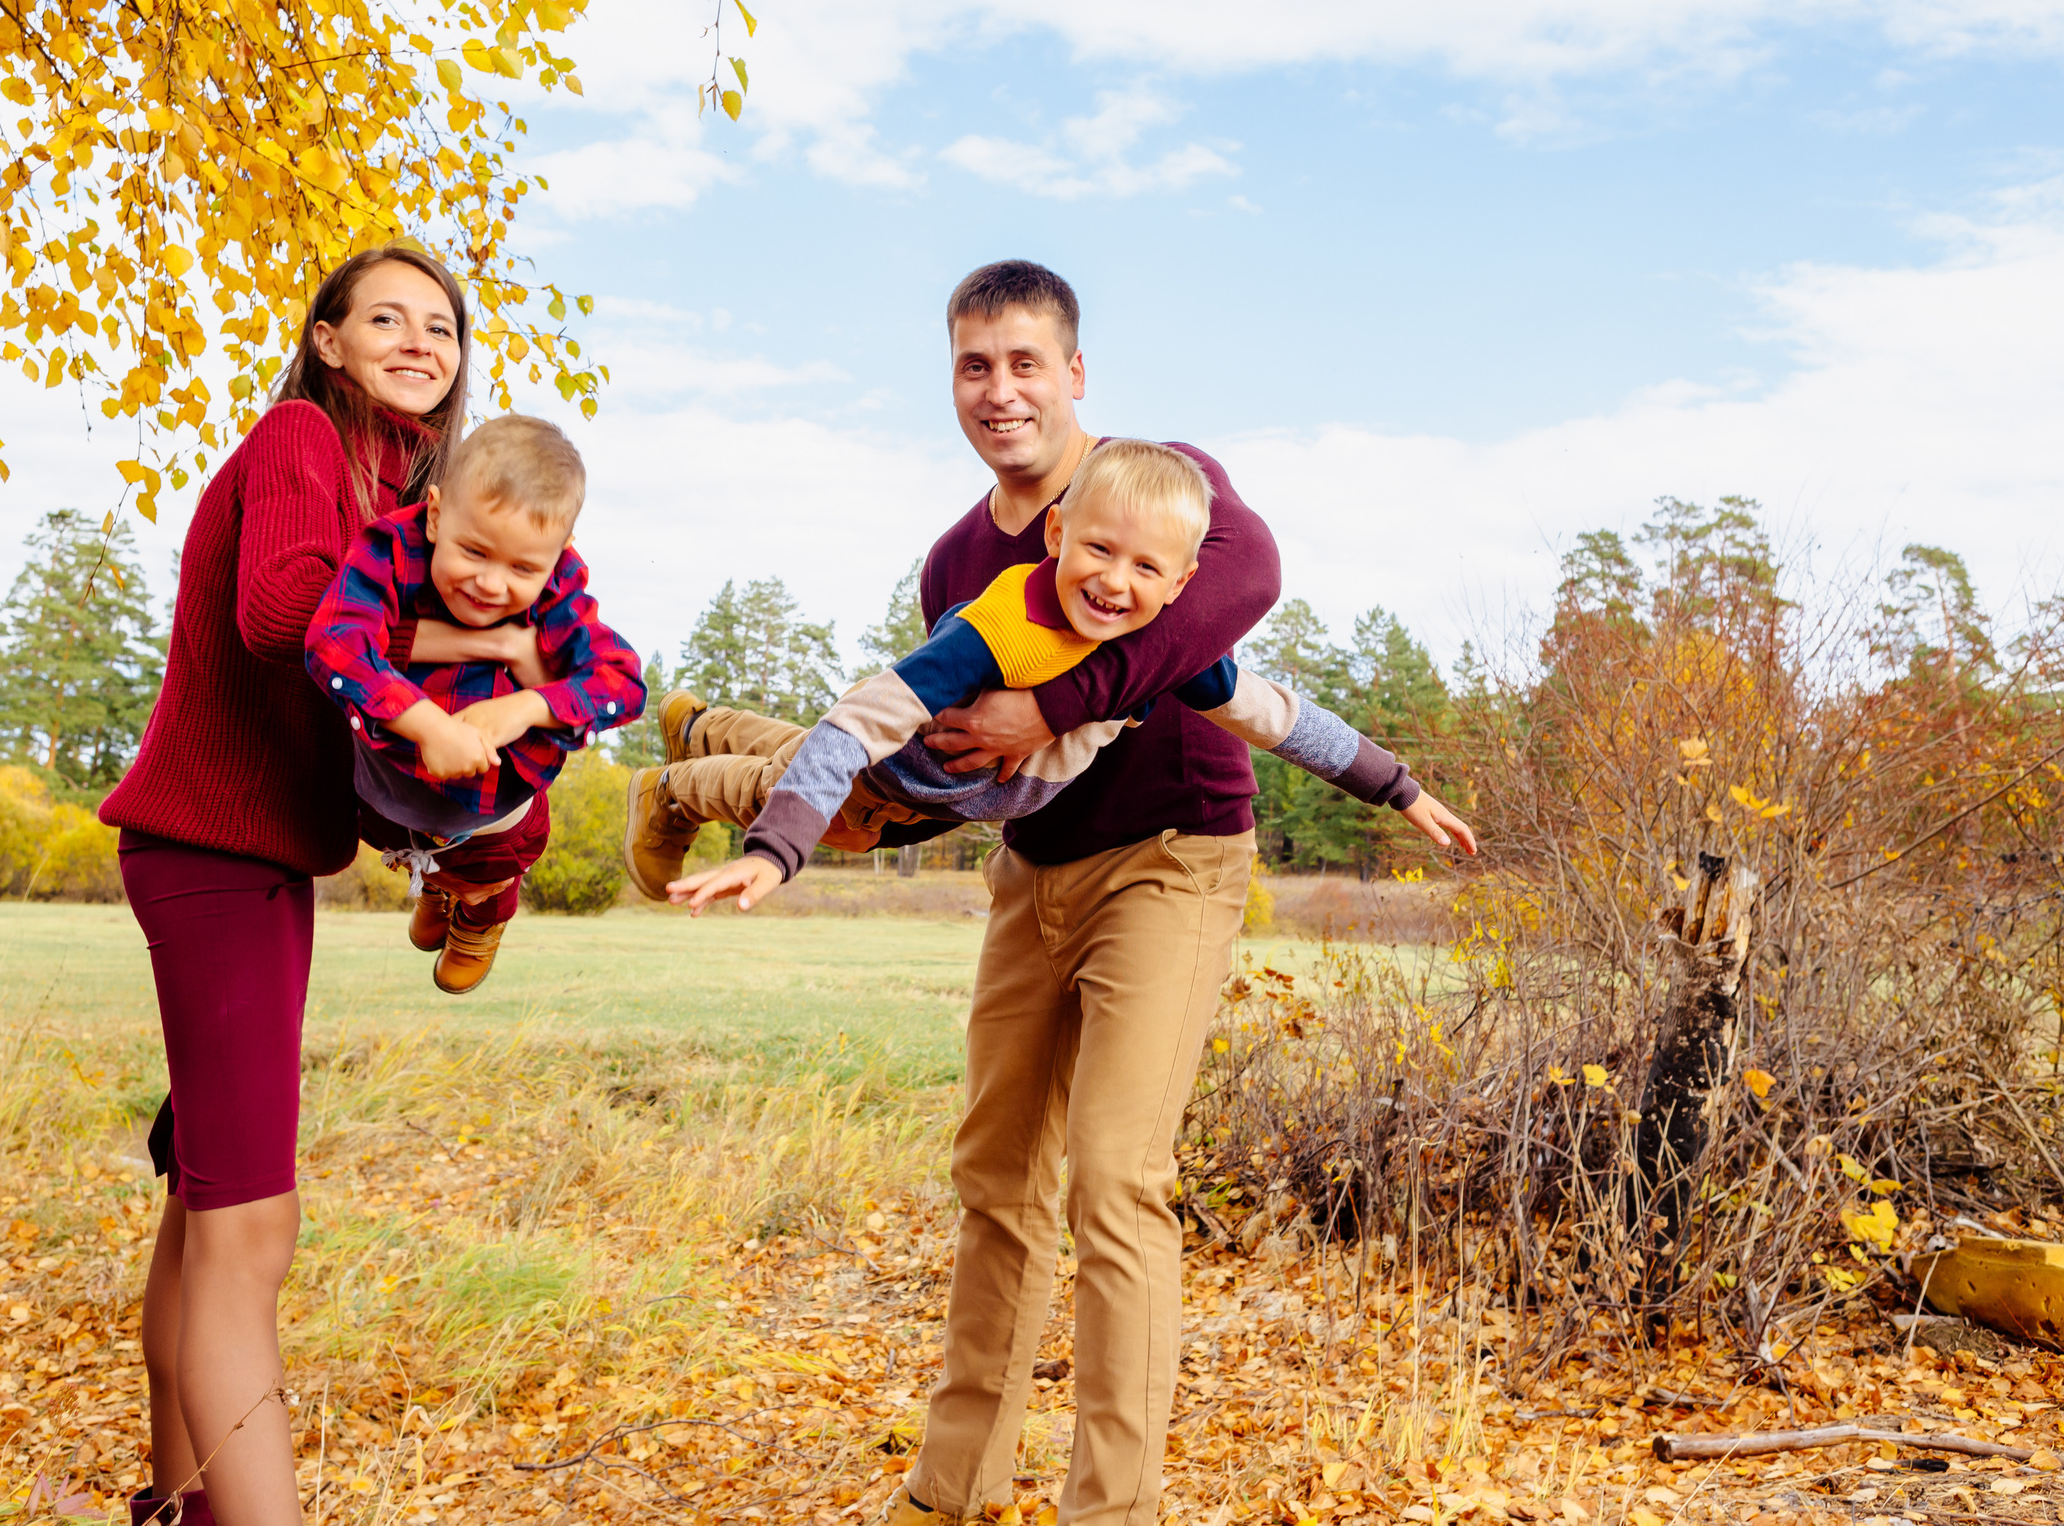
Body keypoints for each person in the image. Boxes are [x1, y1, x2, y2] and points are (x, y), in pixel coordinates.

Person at [858, 261, 1474, 1526]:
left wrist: (1050, 703)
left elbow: (1244, 590)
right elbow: (970, 744)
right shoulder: (957, 558)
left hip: (1174, 855)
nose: (1001, 390)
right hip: (1034, 869)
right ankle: (949, 1487)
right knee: (995, 1175)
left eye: (1027, 362)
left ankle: (1110, 1511)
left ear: (1075, 375)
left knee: (1116, 1177)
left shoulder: (1159, 482)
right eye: (976, 366)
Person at [99, 246, 537, 1526]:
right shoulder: (301, 436)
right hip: (212, 852)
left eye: (441, 326)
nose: (418, 340)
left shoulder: (407, 499)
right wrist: (492, 645)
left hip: (257, 859)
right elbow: (285, 610)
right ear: (329, 341)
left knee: (204, 1206)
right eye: (385, 318)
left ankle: (177, 1498)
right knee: (250, 1231)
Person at [647, 437, 1470, 913]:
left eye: (1147, 566)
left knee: (792, 751)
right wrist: (776, 851)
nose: (1116, 582)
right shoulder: (995, 631)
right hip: (894, 776)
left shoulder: (1168, 651)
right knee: (803, 782)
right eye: (1100, 551)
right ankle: (673, 785)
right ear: (1056, 536)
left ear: (1182, 586)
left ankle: (698, 720)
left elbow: (1280, 717)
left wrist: (1398, 787)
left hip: (951, 798)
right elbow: (855, 724)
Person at [303, 413, 644, 994]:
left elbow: (623, 684)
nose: (490, 583)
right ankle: (435, 883)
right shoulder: (389, 551)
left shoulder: (558, 587)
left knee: (486, 880)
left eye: (522, 568)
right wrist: (427, 723)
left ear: (559, 555)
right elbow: (334, 641)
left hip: (497, 814)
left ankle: (480, 919)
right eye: (474, 551)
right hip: (390, 797)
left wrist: (526, 707)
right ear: (436, 515)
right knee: (409, 847)